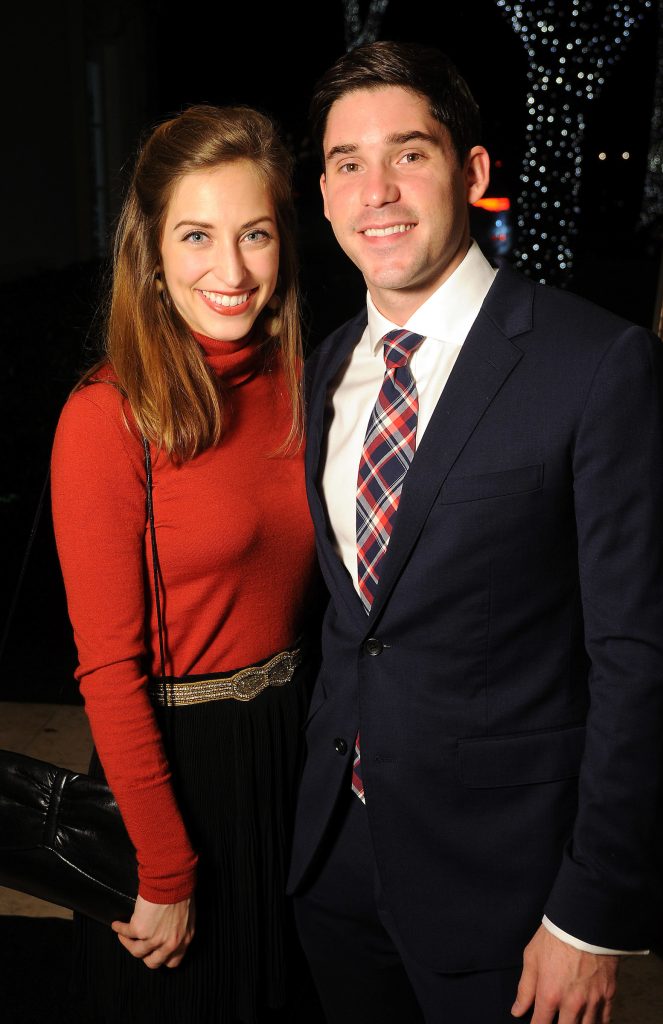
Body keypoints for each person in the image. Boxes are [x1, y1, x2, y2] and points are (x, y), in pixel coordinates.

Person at [288, 40, 663, 1024]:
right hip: (334, 868)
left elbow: (639, 655)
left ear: (474, 170)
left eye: (409, 153)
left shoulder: (595, 363)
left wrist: (592, 915)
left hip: (514, 893)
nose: (379, 191)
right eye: (347, 164)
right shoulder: (323, 371)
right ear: (321, 195)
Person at [51, 103, 320, 1024]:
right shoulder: (107, 415)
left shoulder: (306, 381)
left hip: (292, 744)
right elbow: (106, 669)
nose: (231, 269)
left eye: (255, 233)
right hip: (173, 766)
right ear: (152, 252)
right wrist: (162, 864)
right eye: (197, 235)